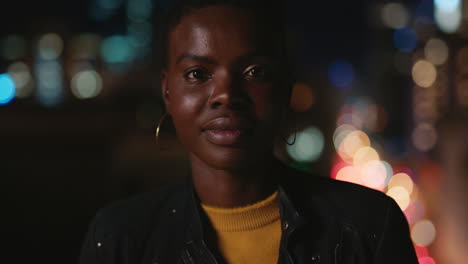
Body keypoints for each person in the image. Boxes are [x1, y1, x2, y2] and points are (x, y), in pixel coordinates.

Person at [79, 0, 418, 263]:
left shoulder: (368, 227)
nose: (226, 95)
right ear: (167, 92)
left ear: (285, 88)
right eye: (198, 74)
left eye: (255, 71)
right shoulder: (120, 237)